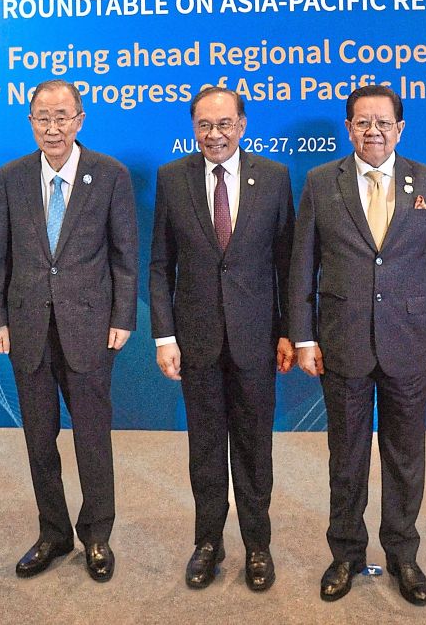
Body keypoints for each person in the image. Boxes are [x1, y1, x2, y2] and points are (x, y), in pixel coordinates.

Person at [289, 84, 426, 606]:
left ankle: (403, 555)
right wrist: (303, 336)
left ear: (400, 128)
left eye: (383, 123)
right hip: (342, 343)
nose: (373, 132)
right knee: (346, 456)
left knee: (405, 457)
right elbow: (302, 266)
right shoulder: (322, 183)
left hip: (410, 343)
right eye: (363, 123)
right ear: (348, 129)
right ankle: (344, 553)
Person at [0, 79, 137, 582]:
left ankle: (97, 535)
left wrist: (122, 318)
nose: (52, 128)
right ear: (30, 122)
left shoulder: (109, 174)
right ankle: (53, 532)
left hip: (90, 327)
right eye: (42, 118)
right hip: (27, 328)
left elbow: (124, 256)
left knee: (92, 438)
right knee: (38, 439)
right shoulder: (10, 176)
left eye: (61, 117)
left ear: (80, 119)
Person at [149, 86, 295, 592]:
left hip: (257, 341)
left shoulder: (274, 179)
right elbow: (160, 265)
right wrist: (164, 336)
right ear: (194, 129)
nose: (215, 135)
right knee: (206, 449)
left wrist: (289, 333)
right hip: (196, 343)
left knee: (255, 450)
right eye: (205, 126)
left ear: (243, 124)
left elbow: (288, 265)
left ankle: (258, 545)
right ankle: (207, 543)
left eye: (225, 124)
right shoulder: (172, 179)